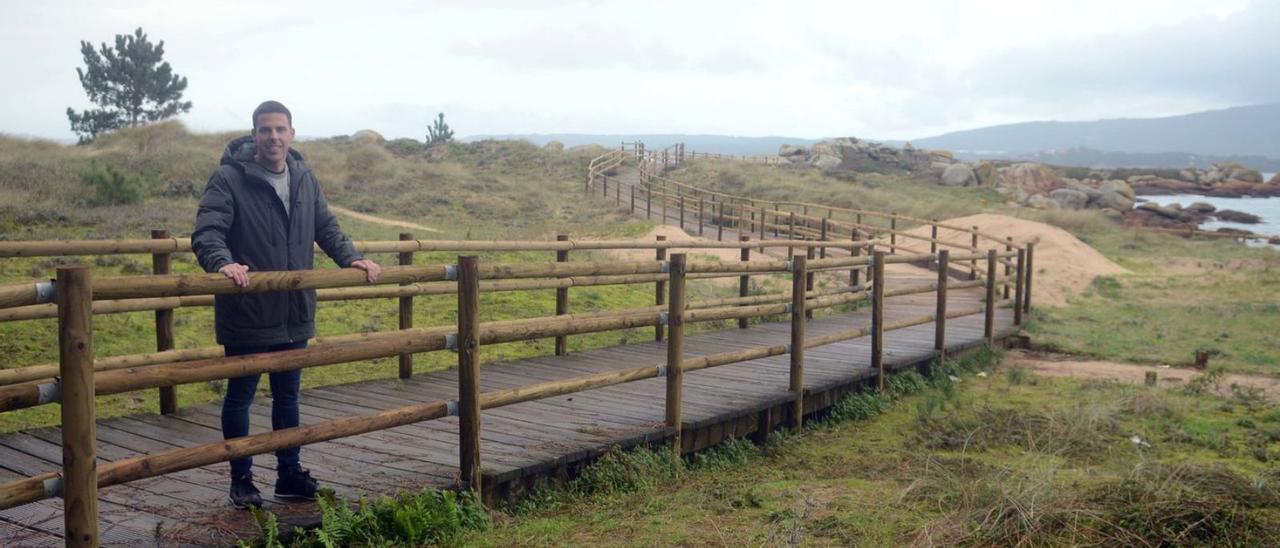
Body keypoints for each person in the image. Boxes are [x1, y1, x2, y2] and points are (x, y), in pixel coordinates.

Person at [193, 100, 382, 509]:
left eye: (280, 129)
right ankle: (241, 479)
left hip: (295, 310)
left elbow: (325, 225)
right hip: (249, 310)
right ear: (254, 134)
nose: (273, 137)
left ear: (292, 133)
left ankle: (289, 474)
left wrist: (351, 257)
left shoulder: (303, 175)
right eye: (265, 130)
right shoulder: (228, 178)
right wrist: (222, 263)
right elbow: (208, 231)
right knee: (241, 395)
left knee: (289, 397)